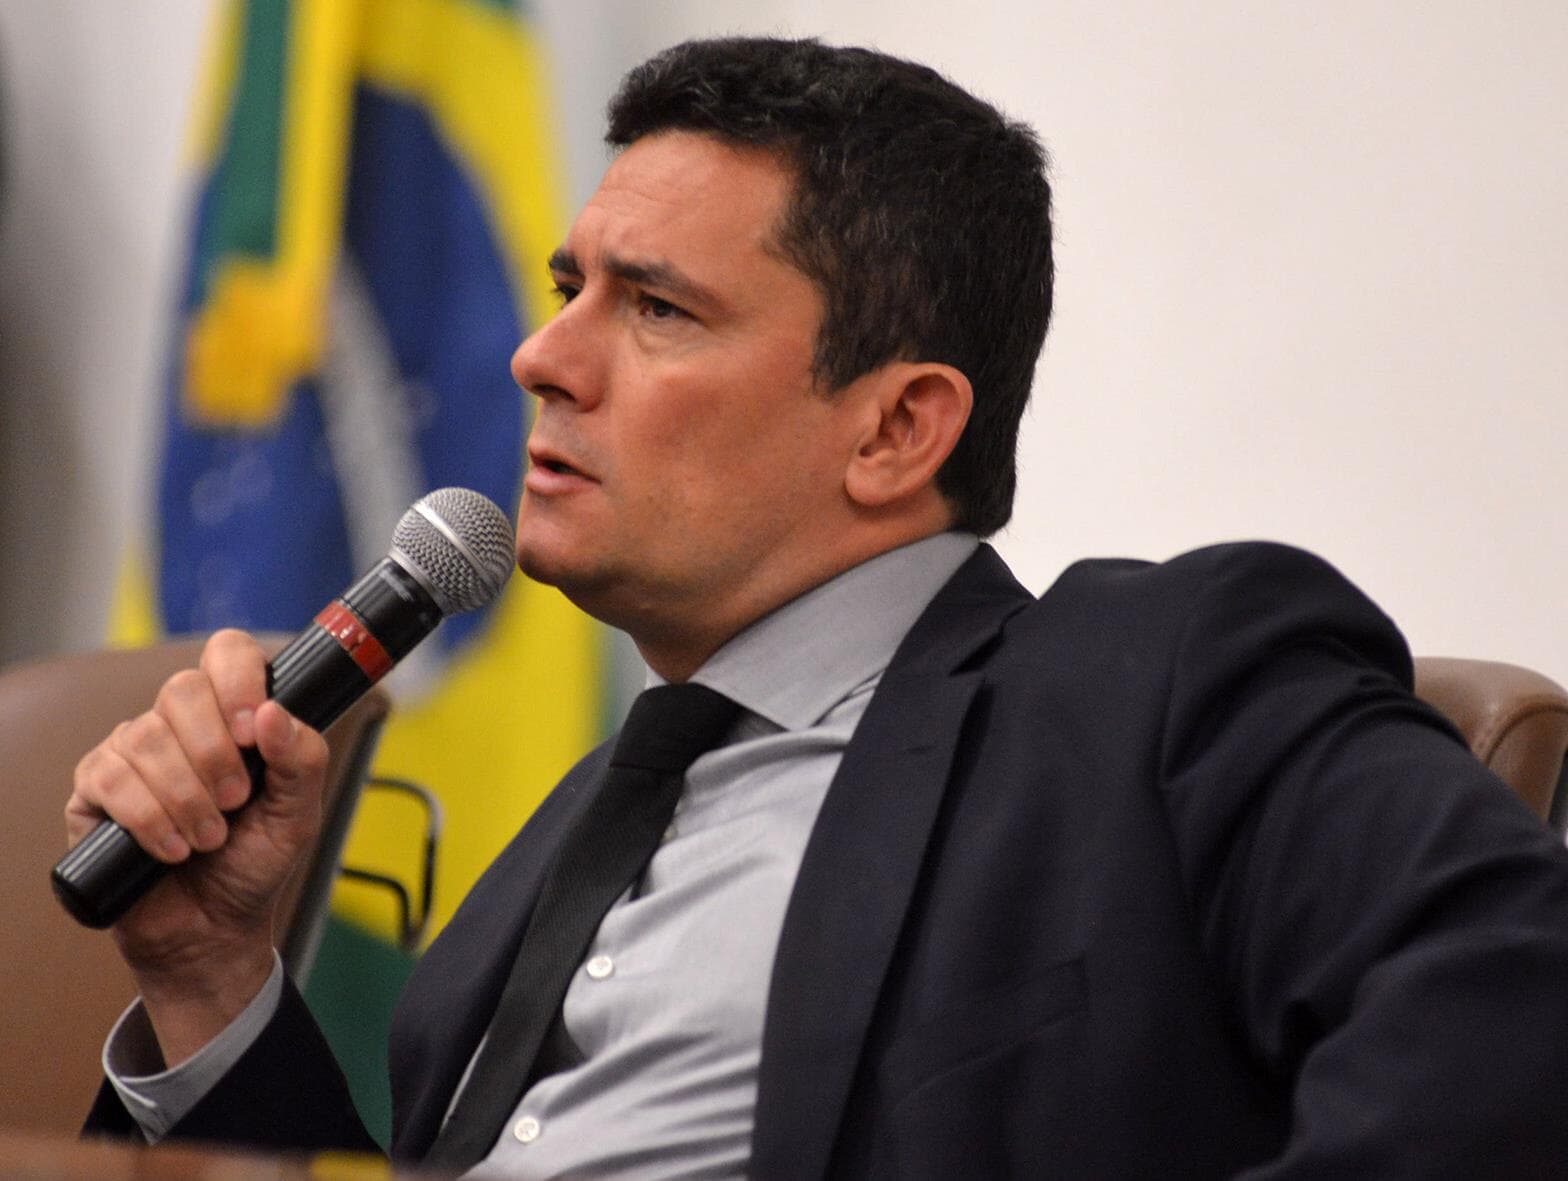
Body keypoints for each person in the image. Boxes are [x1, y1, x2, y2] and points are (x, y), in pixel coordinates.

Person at [71, 36, 1568, 1178]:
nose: (541, 355)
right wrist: (212, 978)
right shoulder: (573, 832)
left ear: (897, 429)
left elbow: (1514, 987)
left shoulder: (1158, 677)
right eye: (569, 287)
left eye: (658, 308)